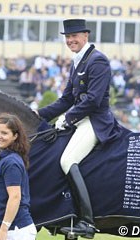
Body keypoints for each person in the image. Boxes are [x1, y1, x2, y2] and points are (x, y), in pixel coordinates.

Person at [36, 19, 123, 239]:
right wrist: (37, 114)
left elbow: (93, 100)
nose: (70, 40)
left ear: (86, 36)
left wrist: (68, 118)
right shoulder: (78, 62)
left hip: (96, 121)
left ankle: (87, 222)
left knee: (67, 160)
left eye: (74, 36)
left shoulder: (97, 61)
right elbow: (66, 99)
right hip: (81, 119)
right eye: (67, 37)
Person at [0, 113, 37, 240]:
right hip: (10, 228)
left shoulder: (11, 162)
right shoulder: (6, 159)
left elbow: (15, 197)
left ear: (15, 136)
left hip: (16, 230)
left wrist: (4, 229)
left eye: (4, 133)